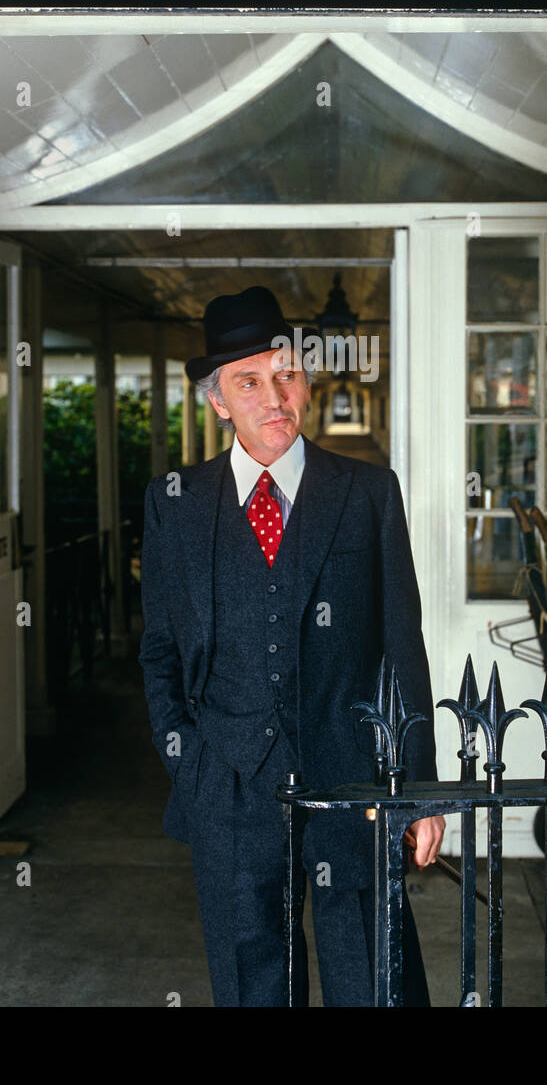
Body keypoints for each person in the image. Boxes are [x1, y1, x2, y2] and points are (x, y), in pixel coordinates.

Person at [139, 284, 444, 1006]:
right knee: (253, 986)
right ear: (218, 401)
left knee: (372, 980)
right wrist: (192, 766)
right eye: (250, 381)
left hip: (353, 784)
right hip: (231, 786)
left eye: (287, 374)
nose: (275, 396)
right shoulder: (174, 503)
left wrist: (418, 789)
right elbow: (160, 651)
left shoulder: (367, 492)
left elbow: (404, 646)